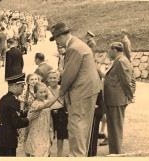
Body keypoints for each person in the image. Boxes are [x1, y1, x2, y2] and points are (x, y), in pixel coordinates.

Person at [50, 22, 101, 157]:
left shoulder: (73, 48)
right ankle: (80, 154)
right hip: (88, 90)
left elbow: (69, 75)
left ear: (60, 36)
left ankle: (77, 155)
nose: (56, 43)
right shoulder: (78, 44)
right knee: (83, 126)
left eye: (55, 39)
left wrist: (60, 93)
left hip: (81, 92)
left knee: (76, 125)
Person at [0, 73, 40, 157]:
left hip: (2, 139)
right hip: (5, 141)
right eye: (22, 86)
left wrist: (28, 112)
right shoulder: (12, 101)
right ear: (14, 86)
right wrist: (29, 118)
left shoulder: (6, 98)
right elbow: (17, 123)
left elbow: (13, 115)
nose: (23, 89)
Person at [104, 42, 133, 154]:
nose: (108, 52)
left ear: (115, 50)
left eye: (109, 50)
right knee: (113, 127)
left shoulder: (121, 61)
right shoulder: (121, 60)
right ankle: (115, 152)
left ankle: (116, 154)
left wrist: (130, 96)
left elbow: (127, 81)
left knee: (115, 128)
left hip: (116, 101)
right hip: (114, 100)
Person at [24, 82, 59, 157]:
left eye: (45, 92)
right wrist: (58, 95)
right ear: (35, 93)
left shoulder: (46, 101)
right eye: (41, 92)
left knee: (46, 152)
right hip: (36, 133)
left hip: (45, 131)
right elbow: (47, 105)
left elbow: (50, 118)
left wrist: (51, 130)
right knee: (37, 152)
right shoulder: (35, 104)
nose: (43, 94)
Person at [46, 70, 68, 157]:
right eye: (50, 78)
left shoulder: (62, 89)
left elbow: (66, 101)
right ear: (47, 79)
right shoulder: (46, 90)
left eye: (54, 78)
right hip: (49, 113)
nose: (52, 80)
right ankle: (47, 154)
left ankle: (59, 155)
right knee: (49, 134)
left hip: (61, 113)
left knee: (61, 136)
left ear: (58, 79)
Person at [18, 73, 39, 156]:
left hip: (38, 116)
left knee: (35, 137)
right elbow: (22, 108)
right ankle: (27, 155)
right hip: (29, 117)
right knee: (27, 137)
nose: (34, 81)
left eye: (36, 79)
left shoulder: (40, 90)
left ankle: (33, 155)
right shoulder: (25, 92)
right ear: (28, 82)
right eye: (32, 79)